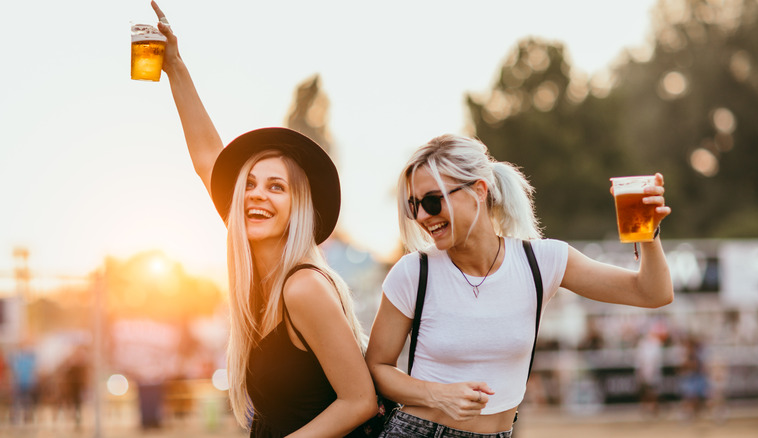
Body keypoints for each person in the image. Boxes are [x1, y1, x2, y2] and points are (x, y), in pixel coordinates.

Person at [150, 2, 377, 436]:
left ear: (299, 209)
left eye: (277, 187)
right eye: (250, 184)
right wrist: (175, 67)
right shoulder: (261, 279)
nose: (256, 194)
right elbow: (207, 161)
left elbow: (360, 401)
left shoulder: (303, 286)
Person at [365, 135, 674, 437]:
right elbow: (377, 368)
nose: (421, 216)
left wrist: (648, 234)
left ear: (479, 190)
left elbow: (652, 293)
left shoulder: (541, 261)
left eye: (432, 201)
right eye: (413, 205)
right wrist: (437, 394)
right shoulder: (413, 273)